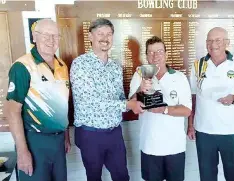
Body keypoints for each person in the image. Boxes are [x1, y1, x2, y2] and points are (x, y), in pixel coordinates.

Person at [70, 18, 144, 181]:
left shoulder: (115, 66)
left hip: (114, 133)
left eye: (109, 34)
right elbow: (90, 102)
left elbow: (120, 101)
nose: (105, 38)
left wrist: (139, 94)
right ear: (90, 36)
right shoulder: (80, 64)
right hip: (90, 133)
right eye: (100, 33)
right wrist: (127, 104)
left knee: (122, 177)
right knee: (94, 178)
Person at [5, 19, 71, 181]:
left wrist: (66, 136)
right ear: (35, 36)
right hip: (34, 142)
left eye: (55, 36)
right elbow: (12, 111)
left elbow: (63, 104)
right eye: (46, 35)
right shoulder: (22, 66)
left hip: (58, 141)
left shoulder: (62, 66)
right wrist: (22, 151)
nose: (51, 40)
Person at [187, 27, 234, 181]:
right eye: (209, 40)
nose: (213, 44)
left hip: (231, 132)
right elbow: (193, 97)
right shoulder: (198, 65)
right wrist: (190, 125)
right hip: (204, 132)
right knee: (207, 177)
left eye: (218, 40)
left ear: (227, 43)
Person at [129, 36, 192, 181]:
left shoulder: (180, 77)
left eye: (159, 51)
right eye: (150, 52)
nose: (155, 56)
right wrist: (141, 88)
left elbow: (187, 110)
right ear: (146, 56)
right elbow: (133, 108)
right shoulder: (139, 75)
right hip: (149, 146)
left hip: (175, 147)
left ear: (166, 54)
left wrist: (164, 110)